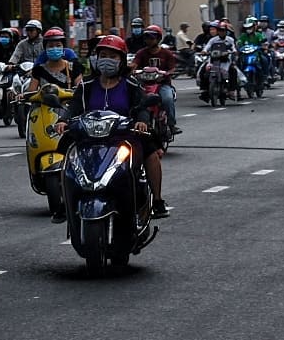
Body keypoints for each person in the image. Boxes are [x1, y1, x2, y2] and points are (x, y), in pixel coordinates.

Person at [55, 34, 169, 218]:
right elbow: (74, 106)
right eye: (103, 56)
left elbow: (142, 107)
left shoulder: (131, 84)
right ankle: (64, 201)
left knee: (151, 153)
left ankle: (157, 200)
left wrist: (142, 121)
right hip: (89, 136)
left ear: (122, 60)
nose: (107, 60)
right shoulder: (87, 85)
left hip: (124, 135)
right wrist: (63, 121)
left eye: (113, 56)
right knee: (65, 154)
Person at [130, 23, 180, 134]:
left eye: (151, 38)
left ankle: (172, 125)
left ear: (158, 39)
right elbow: (134, 64)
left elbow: (172, 68)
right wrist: (130, 69)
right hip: (144, 84)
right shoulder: (141, 53)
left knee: (167, 99)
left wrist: (166, 74)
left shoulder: (166, 53)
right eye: (147, 38)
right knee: (135, 100)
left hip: (163, 84)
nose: (149, 40)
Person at [26, 28, 84, 95]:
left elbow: (80, 90)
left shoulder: (74, 67)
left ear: (63, 47)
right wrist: (22, 96)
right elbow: (30, 93)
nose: (54, 48)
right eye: (50, 46)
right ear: (45, 49)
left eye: (58, 45)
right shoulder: (38, 70)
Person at [198, 20, 239, 101]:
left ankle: (231, 90)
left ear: (226, 31)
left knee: (233, 71)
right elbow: (207, 47)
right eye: (220, 30)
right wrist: (204, 51)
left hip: (226, 60)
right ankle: (205, 90)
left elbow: (233, 47)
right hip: (213, 60)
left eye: (223, 30)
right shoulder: (213, 40)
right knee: (203, 71)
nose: (221, 32)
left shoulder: (230, 40)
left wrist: (234, 51)